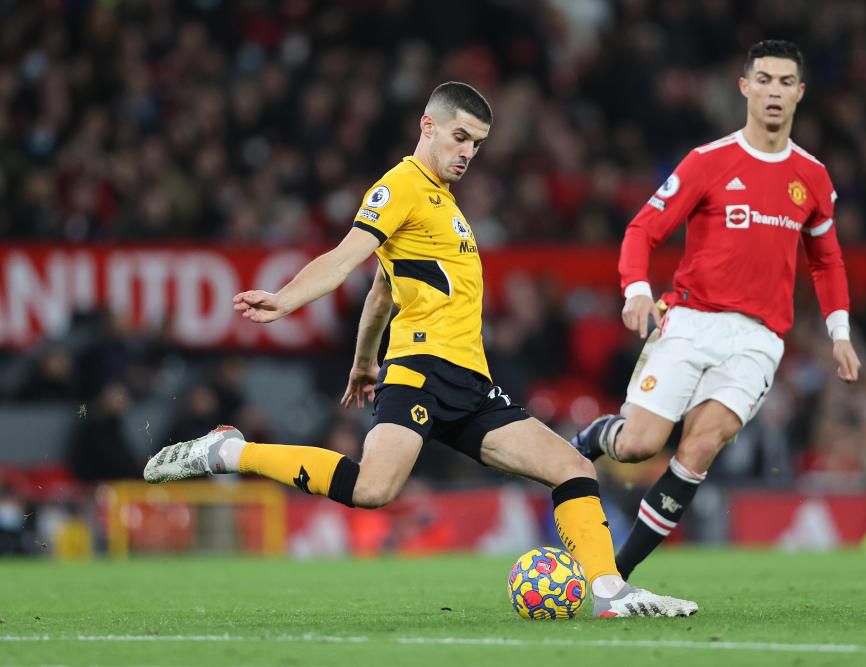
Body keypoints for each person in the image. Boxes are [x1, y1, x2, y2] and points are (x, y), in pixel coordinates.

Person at [143, 81, 697, 618]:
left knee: (571, 466)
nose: (467, 152)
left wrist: (363, 362)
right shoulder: (400, 186)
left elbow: (385, 288)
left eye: (477, 144)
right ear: (427, 125)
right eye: (459, 136)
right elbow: (345, 258)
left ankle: (608, 593)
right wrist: (285, 300)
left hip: (470, 381)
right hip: (423, 370)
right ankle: (230, 452)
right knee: (372, 488)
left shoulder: (444, 204)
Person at [570, 41, 862, 580]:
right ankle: (593, 438)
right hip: (690, 321)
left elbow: (827, 261)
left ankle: (615, 576)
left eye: (785, 82)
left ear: (800, 92)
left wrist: (839, 332)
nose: (774, 91)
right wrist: (636, 289)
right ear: (745, 87)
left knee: (701, 445)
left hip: (759, 339)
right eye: (764, 80)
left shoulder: (813, 177)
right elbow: (643, 228)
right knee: (638, 446)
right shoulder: (708, 162)